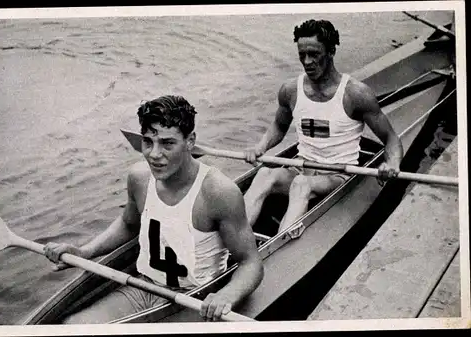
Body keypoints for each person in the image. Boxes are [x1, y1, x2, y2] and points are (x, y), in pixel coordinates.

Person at [44, 95, 264, 323]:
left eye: (167, 143)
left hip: (197, 297)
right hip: (144, 287)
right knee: (72, 326)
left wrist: (226, 295)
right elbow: (129, 224)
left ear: (190, 141)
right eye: (148, 142)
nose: (154, 154)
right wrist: (85, 252)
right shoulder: (139, 178)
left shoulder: (218, 191)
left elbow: (251, 263)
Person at [243, 19, 403, 238]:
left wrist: (392, 164)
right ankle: (232, 242)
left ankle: (275, 251)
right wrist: (259, 147)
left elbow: (391, 139)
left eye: (314, 54)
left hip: (338, 175)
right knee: (263, 174)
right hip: (301, 169)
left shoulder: (356, 94)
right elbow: (279, 127)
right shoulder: (290, 90)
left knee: (301, 184)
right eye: (302, 55)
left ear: (331, 51)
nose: (307, 61)